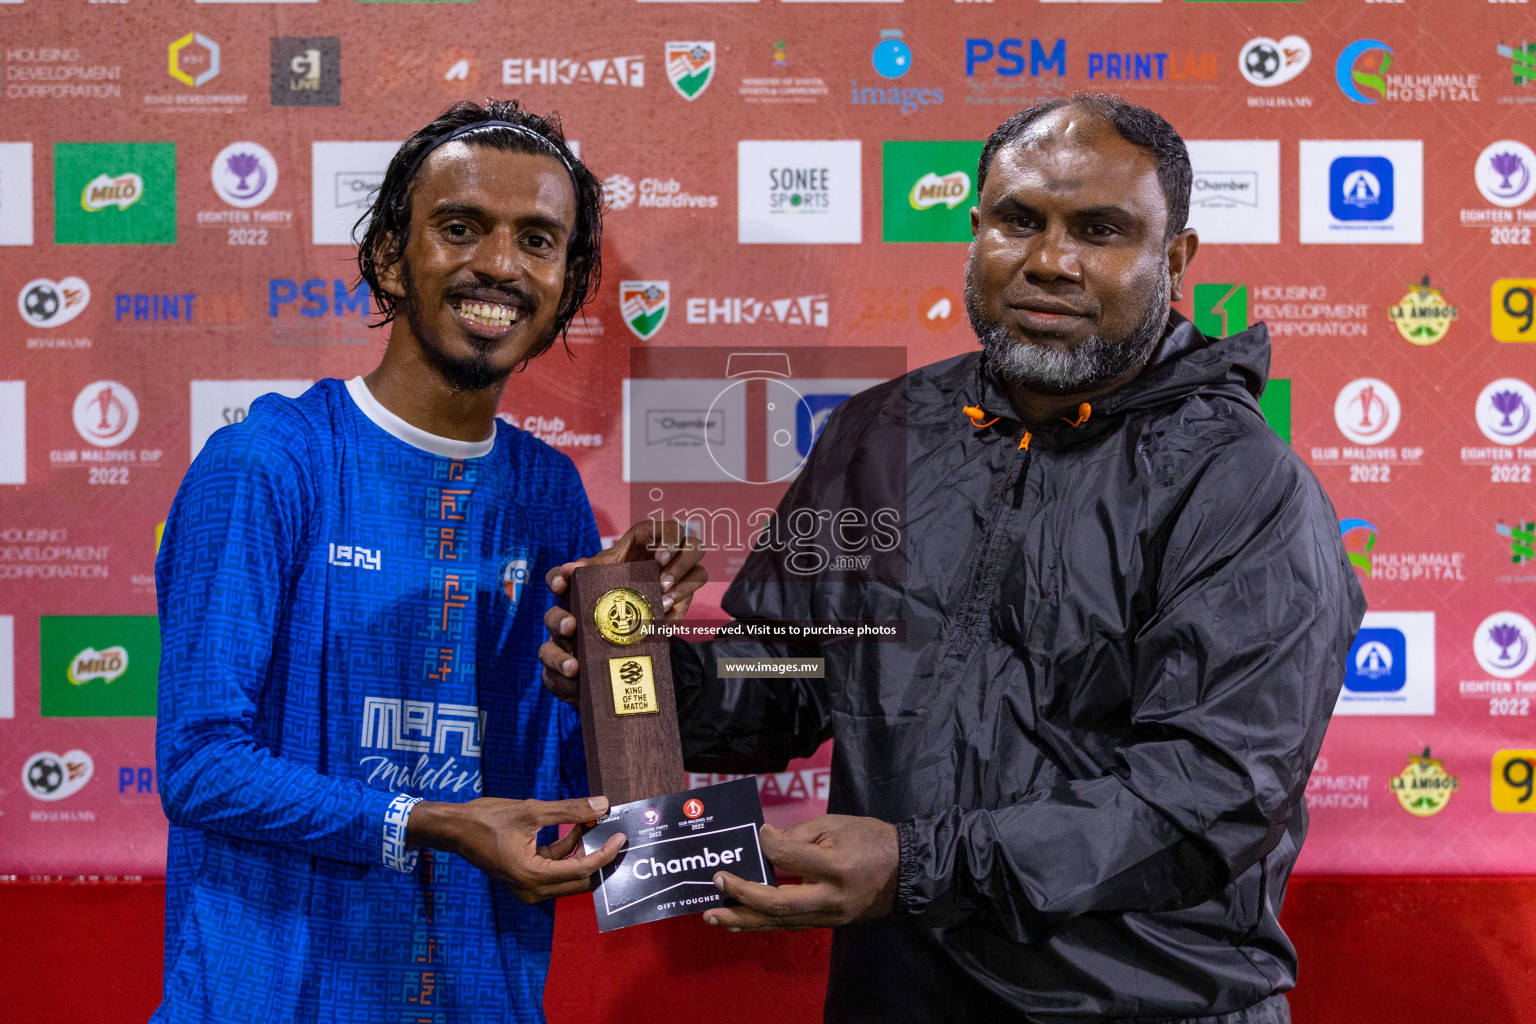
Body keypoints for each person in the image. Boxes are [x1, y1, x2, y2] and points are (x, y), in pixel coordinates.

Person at [542, 94, 1364, 1023]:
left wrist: (916, 867)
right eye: (1021, 220)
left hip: (1140, 1006)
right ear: (976, 231)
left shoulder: (1245, 487)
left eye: (1099, 230)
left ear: (1174, 261)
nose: (1050, 261)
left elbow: (1212, 792)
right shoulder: (879, 432)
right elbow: (795, 676)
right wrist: (629, 665)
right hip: (897, 999)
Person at [154, 100, 703, 1024]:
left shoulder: (550, 495)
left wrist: (626, 641)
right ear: (386, 259)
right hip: (269, 1000)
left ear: (567, 285)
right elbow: (201, 764)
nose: (498, 264)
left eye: (537, 240)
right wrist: (428, 822)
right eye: (460, 228)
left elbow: (605, 794)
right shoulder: (268, 464)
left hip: (479, 999)